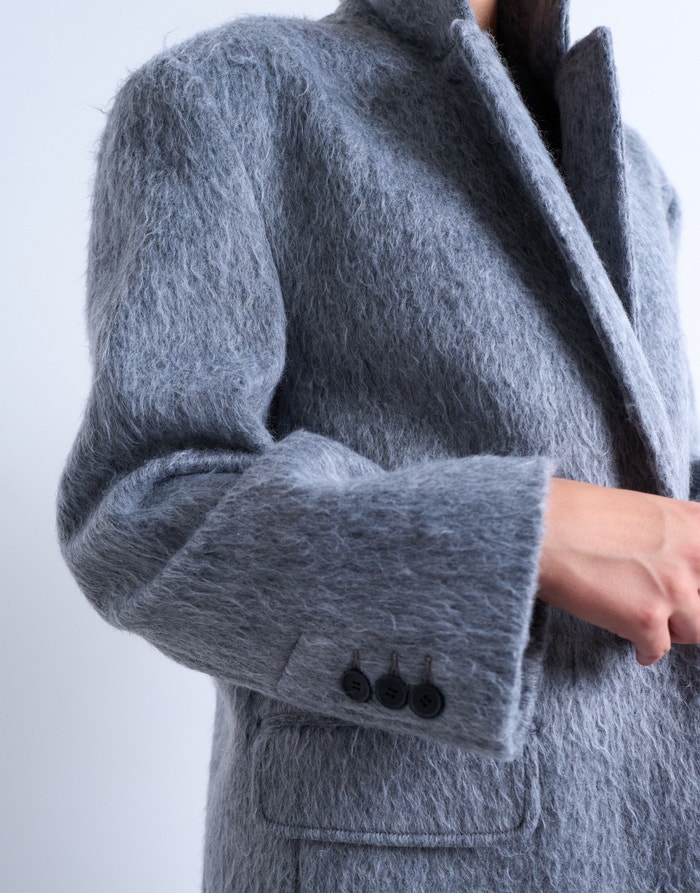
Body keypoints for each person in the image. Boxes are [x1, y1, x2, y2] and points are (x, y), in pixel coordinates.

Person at [56, 0, 700, 890]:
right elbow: (139, 510)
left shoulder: (634, 169)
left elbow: (654, 487)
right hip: (399, 853)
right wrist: (526, 531)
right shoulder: (226, 98)